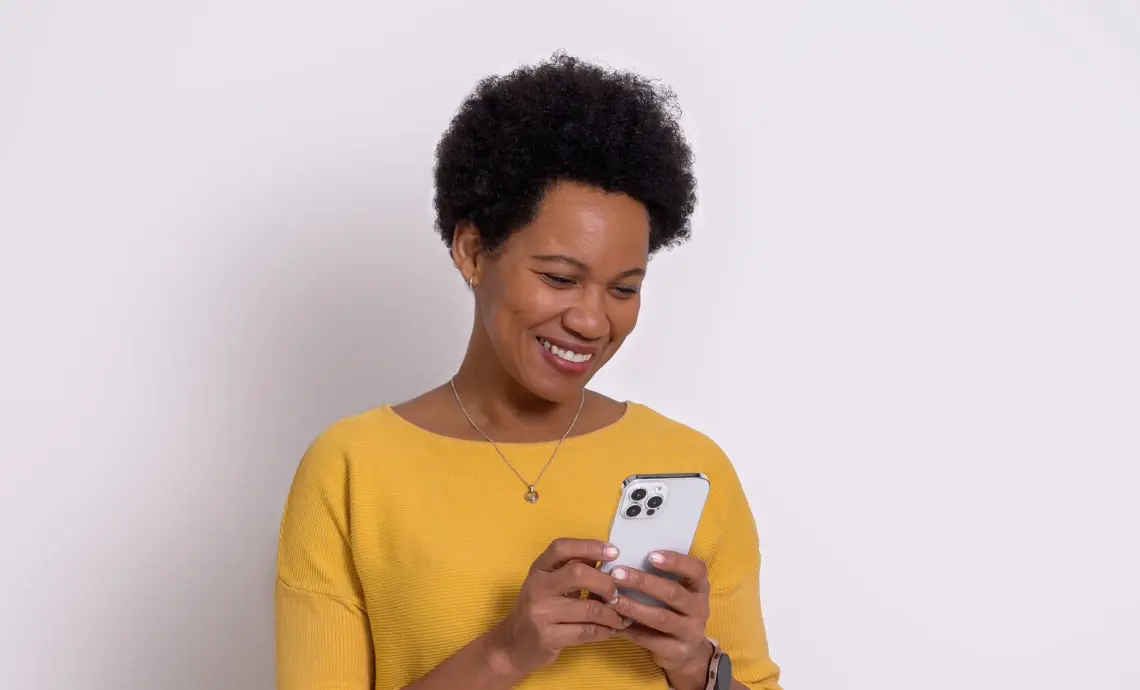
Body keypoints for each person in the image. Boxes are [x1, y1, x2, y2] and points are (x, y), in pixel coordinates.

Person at [275, 53, 782, 690]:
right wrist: (505, 654)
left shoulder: (692, 464)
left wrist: (693, 665)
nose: (593, 322)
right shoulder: (352, 470)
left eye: (623, 289)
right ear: (471, 250)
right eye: (560, 279)